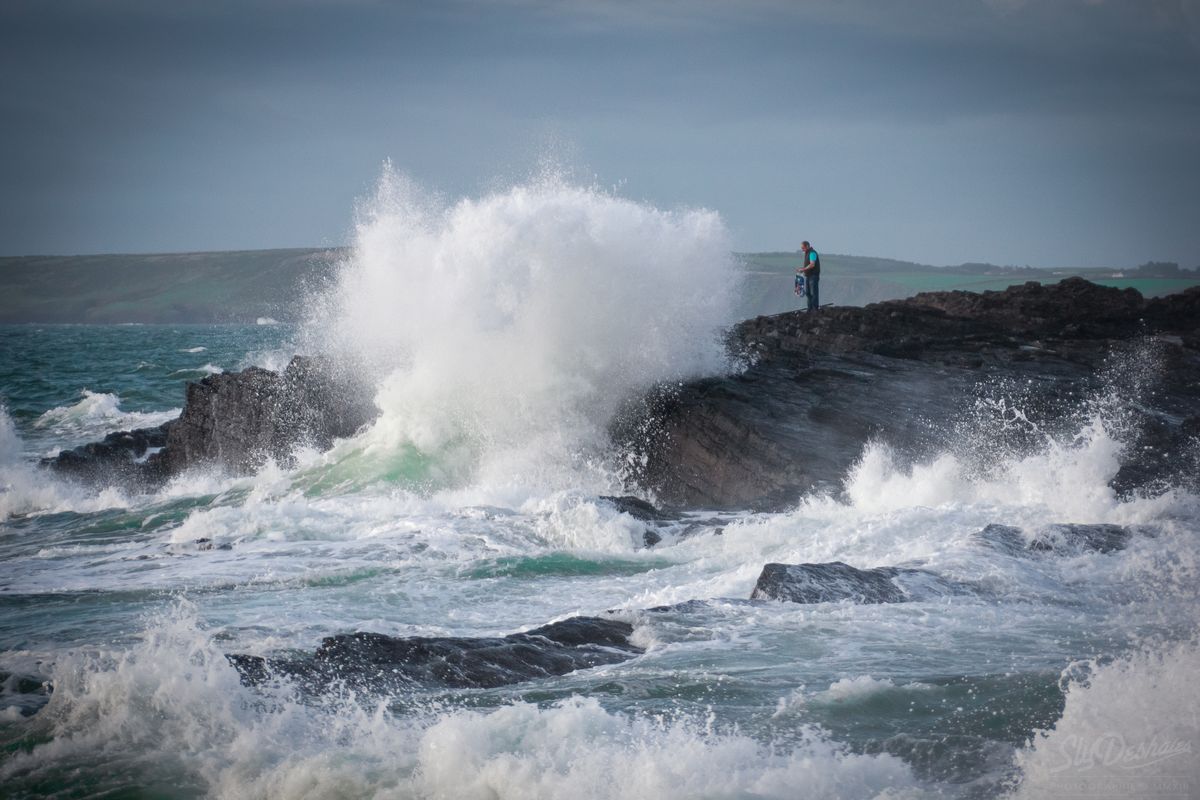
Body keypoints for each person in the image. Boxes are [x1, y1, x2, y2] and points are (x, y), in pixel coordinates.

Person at [799, 241, 820, 312]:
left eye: (803, 248)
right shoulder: (807, 253)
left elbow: (812, 264)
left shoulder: (812, 253)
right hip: (808, 276)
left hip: (813, 276)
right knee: (808, 293)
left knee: (813, 293)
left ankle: (814, 308)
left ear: (807, 246)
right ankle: (809, 308)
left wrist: (803, 269)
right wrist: (802, 269)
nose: (802, 249)